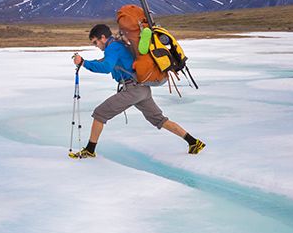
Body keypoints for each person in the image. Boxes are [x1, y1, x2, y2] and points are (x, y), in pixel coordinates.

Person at [69, 23, 205, 159]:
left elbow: (106, 67)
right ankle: (193, 142)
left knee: (99, 114)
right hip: (142, 89)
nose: (96, 46)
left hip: (132, 89)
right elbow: (104, 61)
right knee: (159, 119)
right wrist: (85, 62)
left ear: (103, 38)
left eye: (95, 42)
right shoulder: (118, 45)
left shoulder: (113, 47)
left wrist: (83, 63)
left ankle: (90, 150)